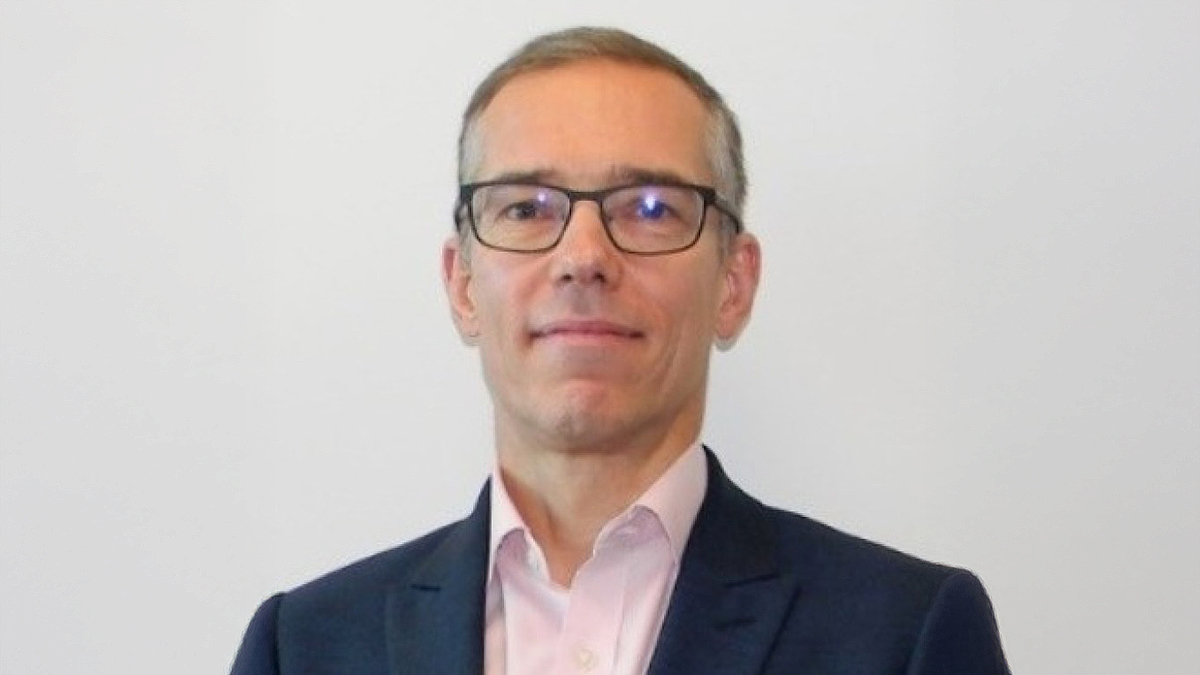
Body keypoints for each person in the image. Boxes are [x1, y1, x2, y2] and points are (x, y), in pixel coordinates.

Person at [230, 26, 1010, 675]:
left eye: (650, 208)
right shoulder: (303, 647)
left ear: (733, 283)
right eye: (526, 207)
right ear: (462, 283)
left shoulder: (904, 636)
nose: (584, 256)